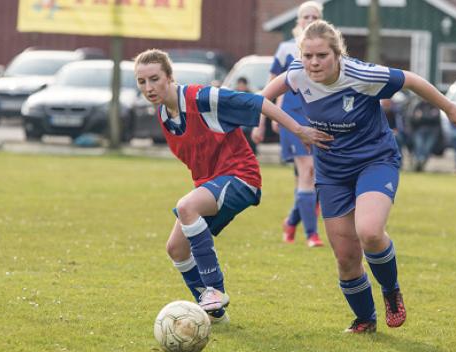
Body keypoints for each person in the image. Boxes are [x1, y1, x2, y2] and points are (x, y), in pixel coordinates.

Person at [253, 20, 456, 333]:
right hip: (332, 171)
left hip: (374, 160)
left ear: (337, 54)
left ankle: (391, 291)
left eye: (322, 55)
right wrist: (298, 129)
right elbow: (262, 98)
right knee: (346, 258)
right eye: (309, 56)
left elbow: (412, 80)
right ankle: (365, 320)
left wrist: (448, 107)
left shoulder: (362, 74)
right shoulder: (297, 74)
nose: (314, 63)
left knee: (369, 231)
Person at [134, 49, 332, 324]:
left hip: (241, 177)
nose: (149, 87)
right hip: (212, 184)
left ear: (169, 77)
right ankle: (215, 315)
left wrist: (298, 129)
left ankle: (214, 290)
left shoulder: (201, 97)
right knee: (176, 249)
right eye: (142, 82)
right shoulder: (164, 115)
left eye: (154, 79)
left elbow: (258, 102)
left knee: (186, 206)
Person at [252, 1, 325, 248]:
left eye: (315, 16)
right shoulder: (286, 49)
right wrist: (260, 123)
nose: (310, 20)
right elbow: (268, 91)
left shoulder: (330, 49)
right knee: (308, 172)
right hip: (292, 117)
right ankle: (311, 235)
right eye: (306, 16)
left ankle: (291, 221)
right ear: (299, 21)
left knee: (316, 177)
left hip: (319, 117)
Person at [406, 97, 441, 172]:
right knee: (419, 146)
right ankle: (419, 163)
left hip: (432, 132)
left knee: (427, 148)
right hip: (419, 131)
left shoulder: (434, 105)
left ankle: (420, 163)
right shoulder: (417, 105)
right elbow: (412, 119)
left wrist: (422, 117)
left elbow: (436, 119)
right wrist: (429, 116)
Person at [234, 77, 258, 155]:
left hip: (247, 124)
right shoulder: (233, 96)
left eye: (242, 85)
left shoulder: (250, 96)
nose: (241, 87)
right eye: (239, 85)